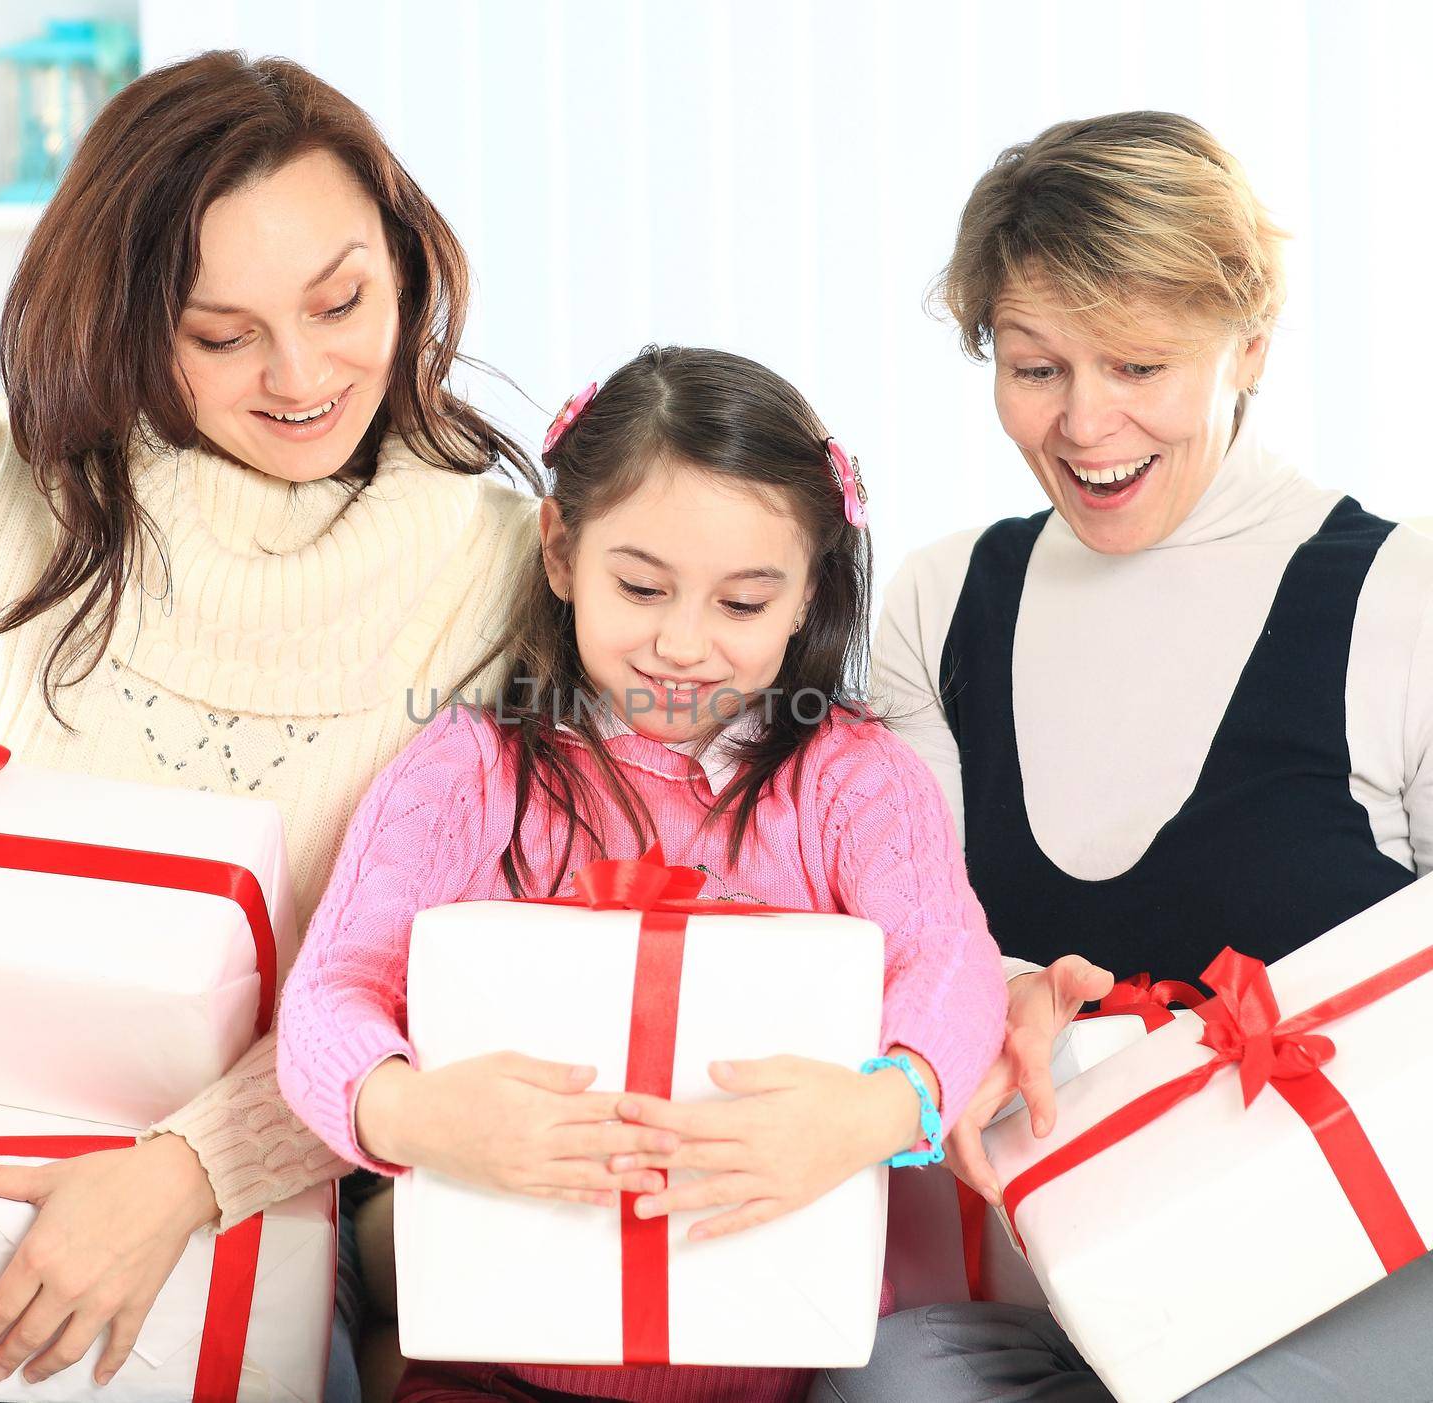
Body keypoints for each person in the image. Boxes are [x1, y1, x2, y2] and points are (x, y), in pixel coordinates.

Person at [0, 51, 541, 1401]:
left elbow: (421, 984)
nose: (301, 372)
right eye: (223, 335)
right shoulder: (2, 472)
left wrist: (184, 1173)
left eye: (343, 301)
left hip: (238, 1210)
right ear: (130, 323)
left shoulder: (500, 561)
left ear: (405, 260)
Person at [820, 111, 1433, 1402]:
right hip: (1068, 1263)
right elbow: (901, 928)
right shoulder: (941, 602)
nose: (1086, 425)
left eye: (1140, 365)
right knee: (887, 1383)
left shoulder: (1406, 595)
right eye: (1036, 368)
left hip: (1359, 1267)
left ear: (1250, 342)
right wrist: (1002, 983)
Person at [276, 344, 1010, 1403]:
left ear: (809, 594)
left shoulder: (853, 778)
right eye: (641, 586)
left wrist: (876, 1112)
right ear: (562, 551)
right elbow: (329, 990)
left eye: (743, 603)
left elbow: (952, 961)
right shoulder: (468, 766)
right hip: (490, 1364)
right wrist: (409, 1112)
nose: (682, 643)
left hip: (781, 1357)